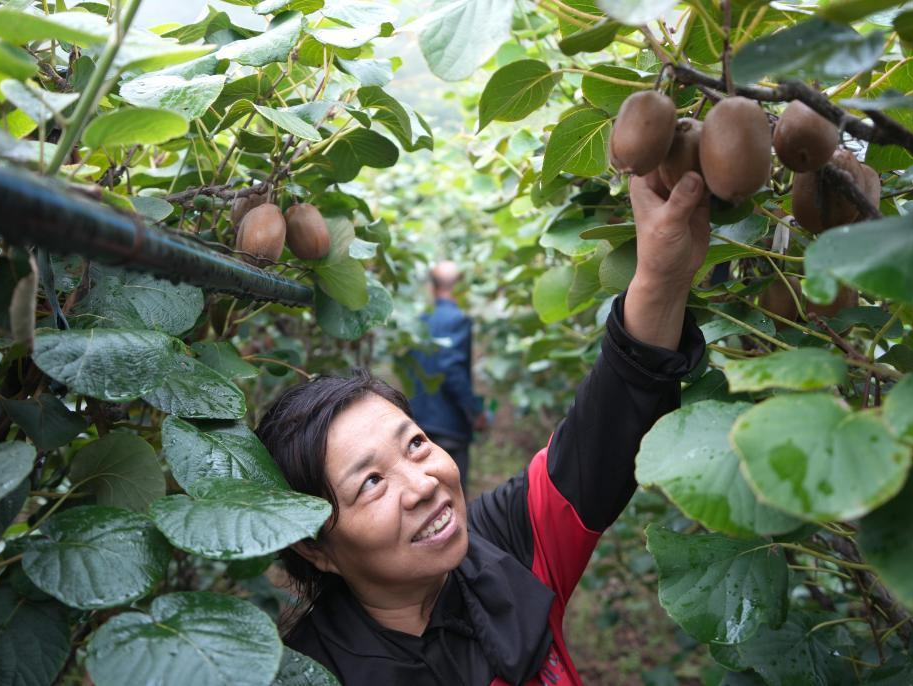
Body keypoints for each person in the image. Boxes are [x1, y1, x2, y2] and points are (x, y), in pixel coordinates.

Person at [255, 170, 710, 685]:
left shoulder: (506, 549)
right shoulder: (308, 675)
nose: (423, 485)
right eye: (371, 482)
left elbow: (607, 427)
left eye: (415, 444)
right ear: (313, 547)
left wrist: (661, 276)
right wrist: (470, 410)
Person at [407, 260, 485, 491]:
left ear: (432, 288)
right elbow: (451, 369)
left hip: (420, 423)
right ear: (461, 288)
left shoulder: (418, 322)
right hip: (450, 425)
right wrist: (474, 412)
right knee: (454, 493)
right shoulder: (458, 320)